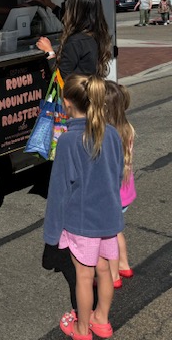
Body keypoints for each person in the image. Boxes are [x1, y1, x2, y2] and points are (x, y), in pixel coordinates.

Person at [44, 74, 124, 340]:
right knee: (104, 270)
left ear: (67, 103)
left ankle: (81, 328)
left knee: (83, 275)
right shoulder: (111, 133)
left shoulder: (68, 141)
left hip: (82, 222)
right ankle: (101, 320)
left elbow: (58, 192)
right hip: (108, 218)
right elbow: (117, 172)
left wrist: (52, 235)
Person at [35, 0, 112, 78]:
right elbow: (72, 21)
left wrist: (49, 52)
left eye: (67, 7)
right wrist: (52, 6)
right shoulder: (95, 34)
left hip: (76, 91)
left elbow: (62, 78)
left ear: (74, 13)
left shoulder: (75, 42)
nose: (66, 12)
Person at [105, 80, 136, 289]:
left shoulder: (108, 135)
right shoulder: (127, 129)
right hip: (125, 192)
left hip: (112, 195)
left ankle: (114, 275)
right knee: (117, 232)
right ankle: (124, 264)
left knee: (108, 237)